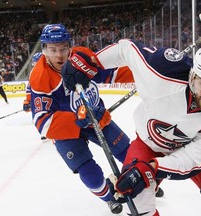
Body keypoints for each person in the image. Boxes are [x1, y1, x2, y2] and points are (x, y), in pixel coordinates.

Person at [63, 38, 201, 216]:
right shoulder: (161, 68)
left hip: (187, 152)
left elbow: (188, 160)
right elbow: (126, 49)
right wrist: (92, 62)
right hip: (148, 145)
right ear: (192, 74)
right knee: (138, 202)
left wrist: (150, 169)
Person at [28, 23, 131, 214]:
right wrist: (78, 119)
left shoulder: (81, 57)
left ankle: (137, 183)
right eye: (52, 50)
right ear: (44, 50)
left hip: (96, 117)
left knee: (129, 153)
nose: (59, 55)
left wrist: (142, 74)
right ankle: (110, 196)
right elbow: (42, 122)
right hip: (66, 131)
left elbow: (108, 73)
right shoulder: (40, 76)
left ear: (70, 46)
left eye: (63, 48)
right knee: (89, 173)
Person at [23, 52, 47, 140]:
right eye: (34, 63)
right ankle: (45, 131)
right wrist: (28, 101)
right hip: (39, 98)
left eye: (37, 62)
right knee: (38, 116)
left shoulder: (51, 71)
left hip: (51, 98)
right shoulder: (33, 72)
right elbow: (29, 88)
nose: (35, 65)